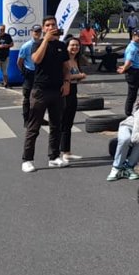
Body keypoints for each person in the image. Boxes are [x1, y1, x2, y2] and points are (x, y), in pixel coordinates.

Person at [21, 16, 68, 173]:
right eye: (47, 25)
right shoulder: (37, 44)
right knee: (33, 126)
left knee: (56, 125)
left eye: (53, 25)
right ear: (43, 28)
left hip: (57, 90)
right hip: (40, 90)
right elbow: (36, 59)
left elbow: (65, 66)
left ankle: (54, 157)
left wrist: (66, 82)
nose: (51, 27)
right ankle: (27, 159)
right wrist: (46, 40)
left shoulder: (61, 45)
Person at [58, 37, 87, 165]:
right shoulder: (63, 61)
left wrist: (79, 77)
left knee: (69, 123)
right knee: (63, 122)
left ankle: (67, 151)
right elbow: (65, 76)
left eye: (77, 45)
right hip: (64, 92)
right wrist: (79, 76)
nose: (75, 48)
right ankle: (60, 152)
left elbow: (74, 78)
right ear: (67, 46)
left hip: (73, 91)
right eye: (72, 45)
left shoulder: (76, 60)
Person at [16, 25, 42, 123]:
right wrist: (24, 72)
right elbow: (19, 62)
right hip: (30, 73)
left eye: (39, 31)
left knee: (40, 98)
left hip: (40, 73)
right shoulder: (26, 46)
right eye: (35, 31)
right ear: (31, 32)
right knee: (27, 98)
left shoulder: (43, 44)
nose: (37, 33)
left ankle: (39, 118)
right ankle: (26, 120)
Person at [118, 29, 139, 116]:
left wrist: (124, 67)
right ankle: (128, 113)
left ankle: (129, 111)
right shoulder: (132, 48)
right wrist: (124, 69)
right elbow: (129, 61)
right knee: (132, 94)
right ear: (134, 36)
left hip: (135, 70)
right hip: (133, 72)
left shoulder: (135, 46)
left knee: (133, 93)